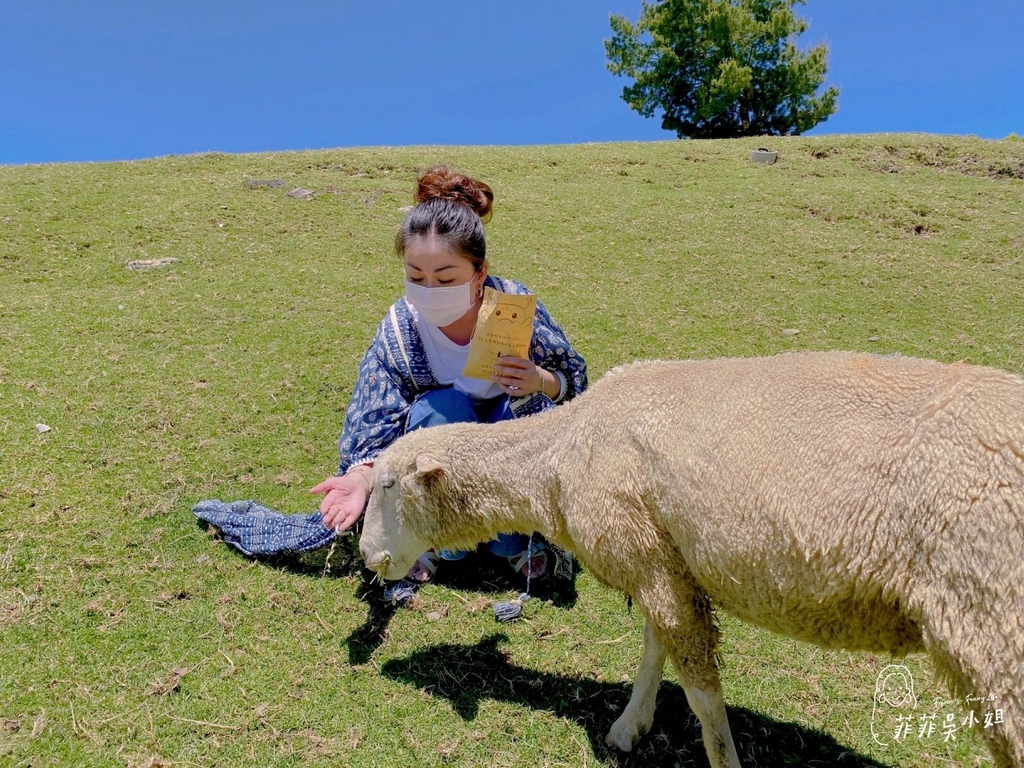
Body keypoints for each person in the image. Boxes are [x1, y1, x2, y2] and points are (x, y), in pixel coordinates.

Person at [310, 165, 587, 601]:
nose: (429, 289)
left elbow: (574, 381)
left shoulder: (515, 306)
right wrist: (360, 480)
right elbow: (376, 415)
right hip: (440, 451)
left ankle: (517, 541)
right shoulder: (400, 329)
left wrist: (541, 380)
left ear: (479, 272)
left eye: (445, 277)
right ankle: (441, 541)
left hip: (508, 438)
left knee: (518, 423)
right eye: (416, 277)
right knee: (440, 410)